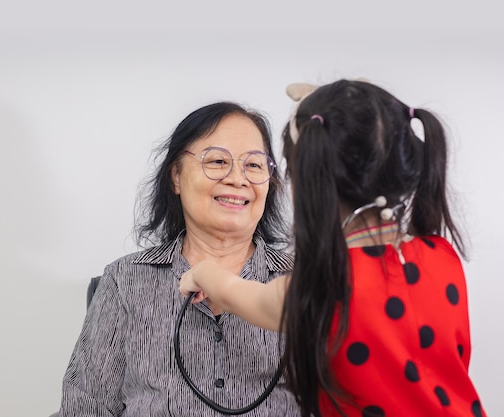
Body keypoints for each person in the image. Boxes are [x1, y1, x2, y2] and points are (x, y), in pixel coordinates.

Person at [180, 79, 487, 417]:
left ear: (309, 182)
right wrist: (346, 114)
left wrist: (202, 273)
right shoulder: (442, 256)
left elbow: (233, 291)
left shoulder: (323, 288)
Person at [58, 101, 299, 416]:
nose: (238, 179)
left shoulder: (309, 281)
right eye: (216, 160)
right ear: (175, 176)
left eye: (254, 165)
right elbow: (85, 407)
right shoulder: (125, 280)